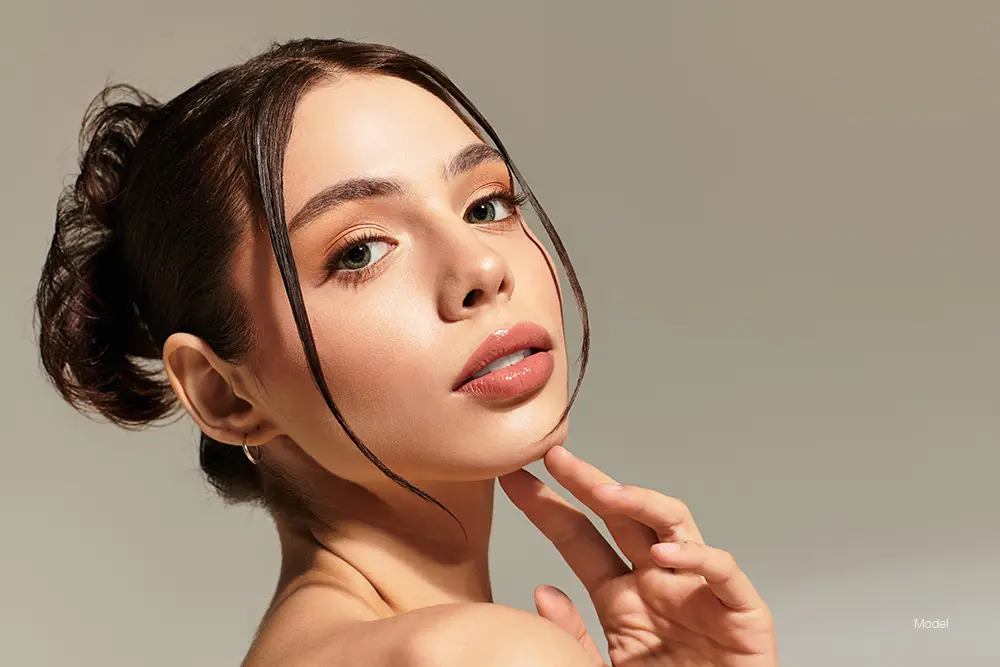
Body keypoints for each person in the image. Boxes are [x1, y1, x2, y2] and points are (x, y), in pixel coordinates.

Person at [34, 37, 779, 666]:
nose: (483, 270)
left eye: (486, 206)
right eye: (359, 251)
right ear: (226, 392)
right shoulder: (483, 654)